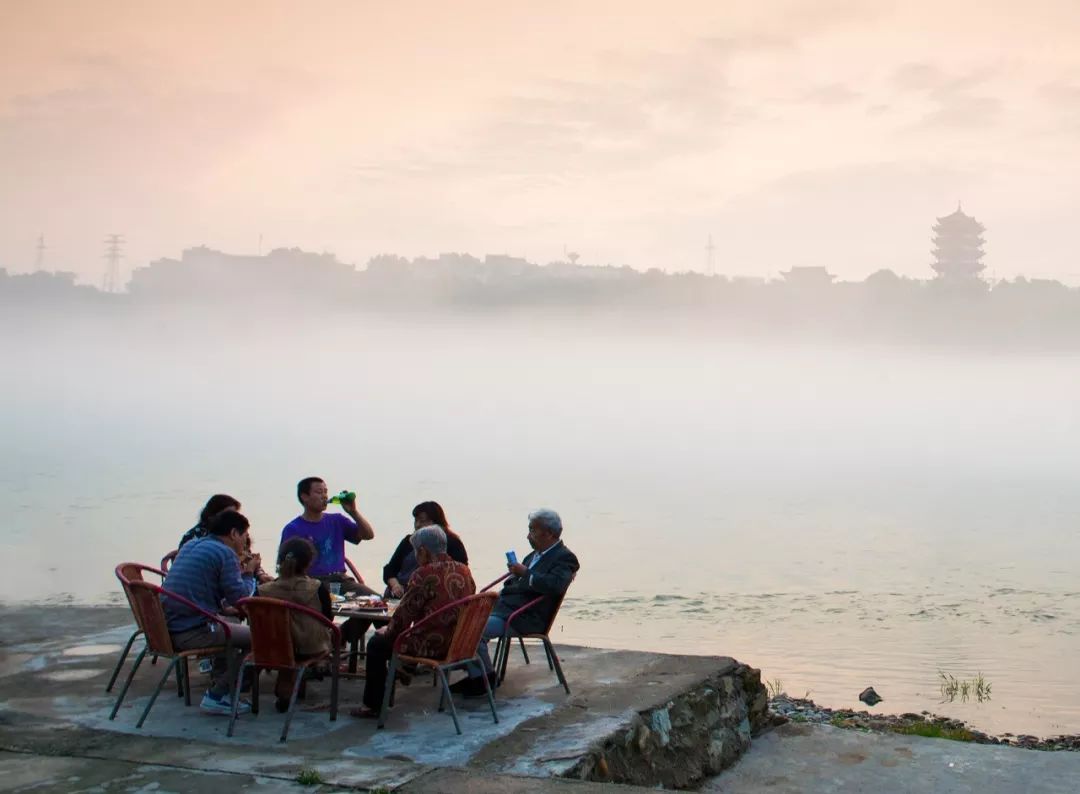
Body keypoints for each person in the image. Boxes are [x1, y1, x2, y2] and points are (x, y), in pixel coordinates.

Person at [350, 525, 475, 718]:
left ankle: (373, 705)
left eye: (416, 551)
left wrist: (389, 631)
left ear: (423, 551)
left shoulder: (424, 574)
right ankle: (401, 672)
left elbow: (403, 616)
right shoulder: (464, 571)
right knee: (391, 638)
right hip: (459, 642)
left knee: (377, 644)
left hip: (432, 644)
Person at [451, 508, 579, 697]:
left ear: (549, 533)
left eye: (533, 531)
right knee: (456, 621)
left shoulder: (564, 557)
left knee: (473, 630)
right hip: (506, 608)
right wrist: (515, 578)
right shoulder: (533, 555)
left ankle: (484, 679)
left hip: (524, 616)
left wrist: (524, 574)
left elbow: (555, 586)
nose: (528, 535)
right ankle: (477, 674)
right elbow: (515, 583)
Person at [161, 510, 257, 715]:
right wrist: (249, 572)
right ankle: (217, 694)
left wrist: (224, 608)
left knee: (230, 620)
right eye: (244, 536)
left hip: (167, 627)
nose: (244, 542)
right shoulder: (225, 553)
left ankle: (223, 688)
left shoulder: (191, 545)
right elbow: (241, 598)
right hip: (191, 632)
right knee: (260, 639)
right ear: (233, 533)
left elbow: (203, 589)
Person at [257, 537, 333, 712]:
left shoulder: (263, 590)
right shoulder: (317, 587)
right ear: (308, 563)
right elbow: (328, 618)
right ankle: (320, 664)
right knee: (329, 637)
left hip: (272, 647)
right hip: (310, 646)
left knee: (287, 644)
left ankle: (288, 685)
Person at [280, 477, 378, 595]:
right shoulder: (293, 528)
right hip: (311, 583)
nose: (324, 496)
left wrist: (353, 512)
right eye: (319, 492)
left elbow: (368, 535)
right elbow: (284, 565)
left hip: (341, 581)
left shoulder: (337, 520)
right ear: (304, 497)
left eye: (325, 492)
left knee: (377, 600)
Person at [383, 501, 469, 598]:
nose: (417, 525)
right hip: (399, 594)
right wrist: (395, 585)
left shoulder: (452, 543)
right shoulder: (409, 540)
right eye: (416, 521)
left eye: (422, 521)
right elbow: (390, 569)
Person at [176, 494, 240, 550]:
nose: (232, 519)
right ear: (212, 515)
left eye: (235, 515)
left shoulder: (235, 534)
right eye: (228, 515)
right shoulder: (196, 535)